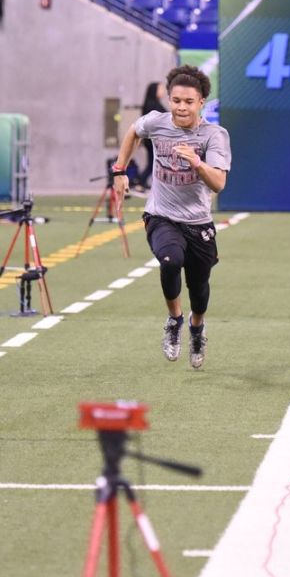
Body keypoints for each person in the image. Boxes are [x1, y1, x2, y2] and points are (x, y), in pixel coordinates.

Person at [113, 65, 231, 369]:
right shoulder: (156, 123)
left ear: (201, 102)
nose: (181, 107)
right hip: (162, 216)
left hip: (198, 222)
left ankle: (196, 327)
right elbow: (132, 132)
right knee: (170, 261)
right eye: (176, 100)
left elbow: (218, 183)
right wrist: (120, 170)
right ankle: (175, 319)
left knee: (199, 288)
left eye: (188, 102)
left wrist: (197, 163)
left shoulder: (213, 136)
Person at [135, 81, 168, 191]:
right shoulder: (152, 106)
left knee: (153, 163)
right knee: (152, 163)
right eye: (161, 89)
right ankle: (140, 182)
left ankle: (142, 182)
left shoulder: (155, 104)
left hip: (154, 140)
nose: (163, 91)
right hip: (152, 140)